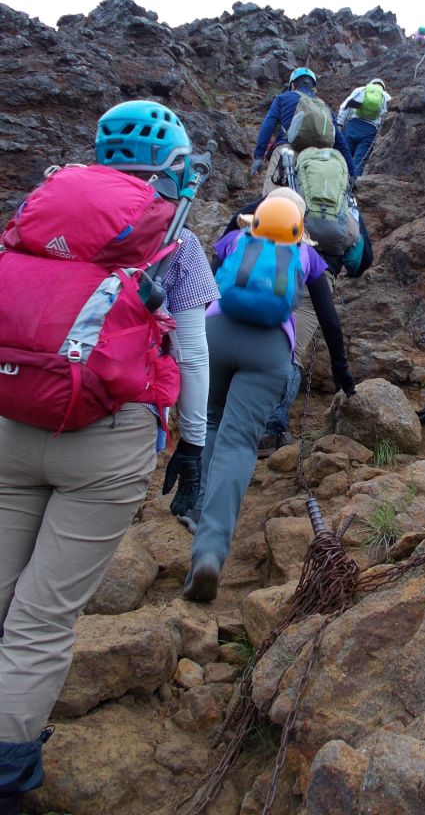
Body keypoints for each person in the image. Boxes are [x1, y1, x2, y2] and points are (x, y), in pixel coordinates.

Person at [0, 101, 218, 813]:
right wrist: (194, 440)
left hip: (10, 422)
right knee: (40, 619)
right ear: (170, 163)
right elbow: (190, 350)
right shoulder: (173, 238)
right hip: (105, 438)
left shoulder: (35, 216)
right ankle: (8, 777)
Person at [183, 193, 355, 601]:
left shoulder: (232, 242)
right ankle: (209, 552)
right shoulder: (307, 258)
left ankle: (194, 508)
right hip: (270, 351)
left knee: (209, 422)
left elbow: (201, 291)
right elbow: (328, 319)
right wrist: (343, 373)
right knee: (238, 442)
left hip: (216, 335)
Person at [250, 67, 355, 191]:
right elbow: (339, 140)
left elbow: (268, 125)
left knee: (273, 199)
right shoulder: (324, 107)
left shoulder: (283, 98)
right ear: (313, 87)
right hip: (319, 160)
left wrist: (258, 157)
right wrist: (352, 172)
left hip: (286, 152)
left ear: (293, 85)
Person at [337, 78, 392, 177]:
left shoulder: (361, 90)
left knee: (342, 157)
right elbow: (387, 117)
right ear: (382, 87)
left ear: (370, 84)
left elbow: (345, 106)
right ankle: (353, 184)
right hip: (370, 131)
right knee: (359, 161)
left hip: (352, 126)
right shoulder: (386, 96)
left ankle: (338, 181)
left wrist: (340, 123)